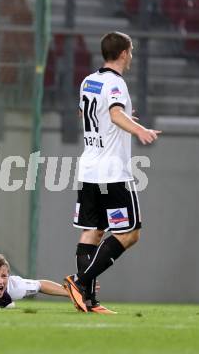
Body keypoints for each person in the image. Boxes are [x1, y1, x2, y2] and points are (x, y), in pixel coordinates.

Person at [63, 31, 161, 314]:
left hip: (89, 168)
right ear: (123, 53)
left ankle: (89, 302)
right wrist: (139, 129)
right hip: (112, 172)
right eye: (130, 51)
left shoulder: (88, 80)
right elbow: (115, 114)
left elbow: (86, 115)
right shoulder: (116, 83)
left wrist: (122, 119)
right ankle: (80, 282)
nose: (131, 56)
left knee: (92, 232)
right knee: (130, 234)